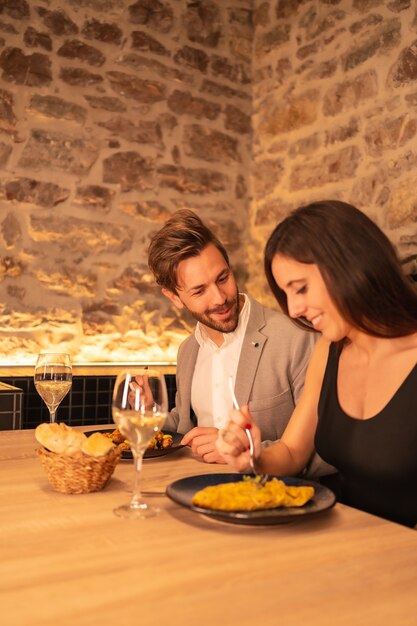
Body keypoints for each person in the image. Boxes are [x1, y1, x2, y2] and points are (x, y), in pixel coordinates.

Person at [217, 200, 417, 527]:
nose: (293, 309)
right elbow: (293, 453)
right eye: (287, 294)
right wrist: (254, 455)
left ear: (349, 264)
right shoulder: (328, 350)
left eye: (301, 289)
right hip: (340, 542)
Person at [147, 209, 331, 475]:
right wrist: (150, 412)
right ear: (175, 298)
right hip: (194, 493)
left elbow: (326, 452)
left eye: (223, 278)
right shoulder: (188, 350)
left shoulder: (297, 336)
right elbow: (183, 427)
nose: (220, 298)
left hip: (274, 501)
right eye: (199, 290)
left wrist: (249, 452)